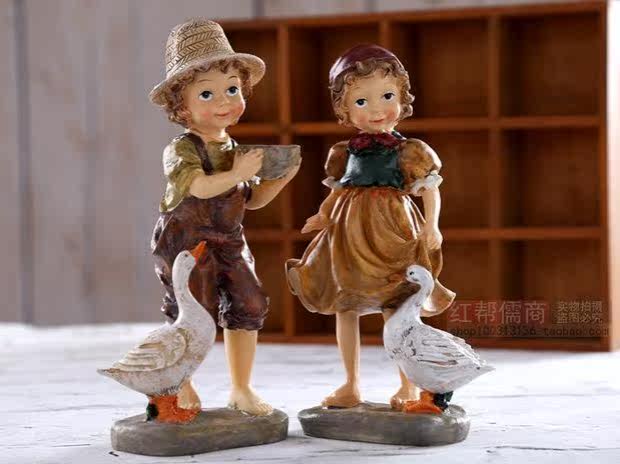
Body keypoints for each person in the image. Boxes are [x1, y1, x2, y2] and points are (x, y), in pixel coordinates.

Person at [286, 44, 455, 410]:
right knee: (345, 304)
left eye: (387, 96)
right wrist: (323, 214)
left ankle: (407, 384)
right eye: (362, 101)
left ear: (403, 98)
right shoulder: (344, 153)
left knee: (398, 303)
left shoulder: (410, 151)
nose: (377, 110)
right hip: (348, 233)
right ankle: (350, 384)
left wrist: (432, 226)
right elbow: (338, 191)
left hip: (393, 229)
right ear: (344, 109)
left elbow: (430, 190)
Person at [149, 18, 298, 416]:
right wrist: (238, 172)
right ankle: (181, 384)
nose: (224, 101)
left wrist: (279, 179)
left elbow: (251, 200)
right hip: (187, 241)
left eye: (232, 89)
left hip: (230, 239)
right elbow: (199, 187)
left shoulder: (233, 148)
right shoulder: (182, 149)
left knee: (250, 304)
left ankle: (241, 388)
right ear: (181, 106)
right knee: (193, 312)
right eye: (207, 93)